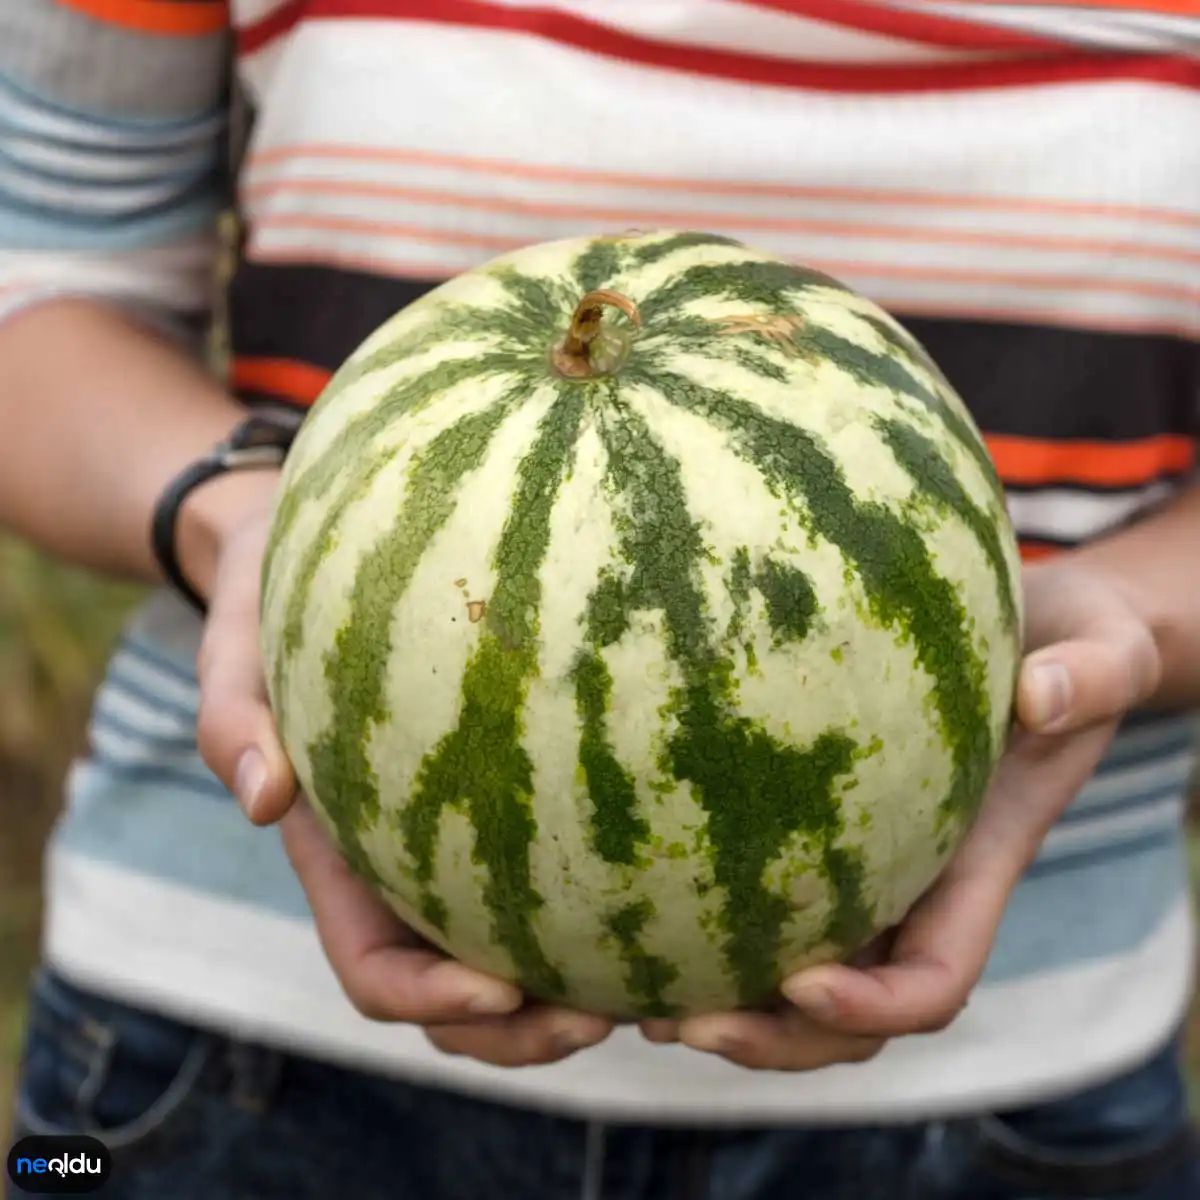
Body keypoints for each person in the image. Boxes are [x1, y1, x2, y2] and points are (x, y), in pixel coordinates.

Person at [2, 1, 1198, 1197]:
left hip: (1011, 1111)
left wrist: (1123, 619)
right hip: (213, 1065)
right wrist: (244, 524)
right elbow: (35, 288)